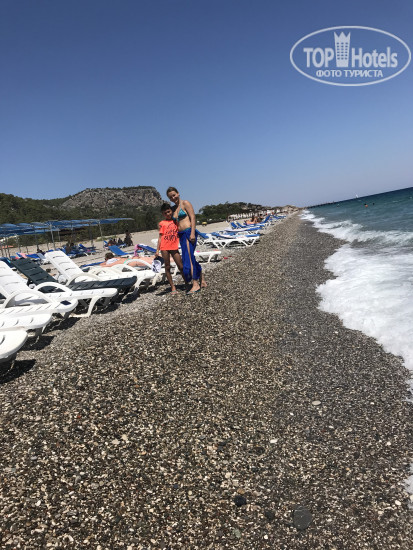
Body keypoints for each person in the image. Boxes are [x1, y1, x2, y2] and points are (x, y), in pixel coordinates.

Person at [166, 186, 206, 294]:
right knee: (188, 257)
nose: (173, 198)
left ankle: (195, 284)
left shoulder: (185, 203)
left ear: (178, 193)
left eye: (174, 195)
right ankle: (202, 279)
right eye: (170, 197)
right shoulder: (173, 209)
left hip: (188, 232)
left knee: (188, 258)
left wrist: (192, 233)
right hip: (181, 235)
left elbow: (193, 217)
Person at [155, 203, 185, 294]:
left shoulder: (176, 221)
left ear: (171, 211)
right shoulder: (162, 223)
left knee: (181, 266)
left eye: (168, 212)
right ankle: (172, 287)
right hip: (164, 247)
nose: (167, 214)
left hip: (174, 247)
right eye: (165, 213)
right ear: (163, 214)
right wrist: (157, 250)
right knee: (167, 267)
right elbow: (160, 237)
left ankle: (187, 282)